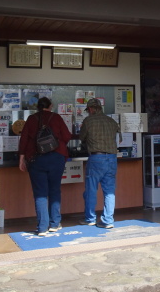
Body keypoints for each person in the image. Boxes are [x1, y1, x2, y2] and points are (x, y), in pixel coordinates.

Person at [18, 97, 72, 236]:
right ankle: (54, 223)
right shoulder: (56, 118)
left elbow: (24, 140)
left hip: (36, 159)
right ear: (50, 106)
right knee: (54, 190)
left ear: (38, 106)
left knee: (40, 193)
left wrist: (21, 158)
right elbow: (67, 136)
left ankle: (42, 227)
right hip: (56, 158)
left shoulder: (31, 119)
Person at [79, 98, 121, 228]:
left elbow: (81, 138)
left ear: (91, 109)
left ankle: (90, 218)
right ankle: (108, 220)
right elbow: (118, 138)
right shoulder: (111, 121)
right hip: (112, 158)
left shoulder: (88, 121)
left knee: (91, 190)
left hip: (96, 158)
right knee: (109, 191)